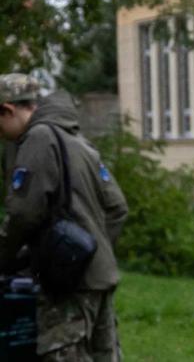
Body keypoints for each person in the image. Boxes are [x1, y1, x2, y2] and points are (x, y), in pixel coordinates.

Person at [0, 73, 128, 361]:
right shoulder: (77, 140)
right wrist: (89, 249)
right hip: (100, 279)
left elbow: (22, 213)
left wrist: (5, 257)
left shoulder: (38, 137)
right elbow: (118, 208)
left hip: (69, 288)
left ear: (7, 110)